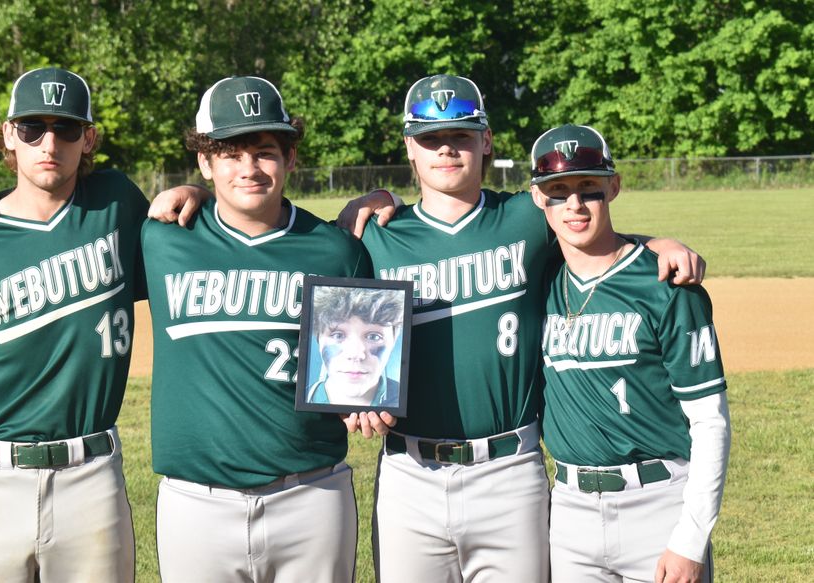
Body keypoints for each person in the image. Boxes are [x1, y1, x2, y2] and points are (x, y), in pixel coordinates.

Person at [150, 74, 706, 583]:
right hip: (408, 470)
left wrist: (655, 244)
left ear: (486, 141)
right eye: (430, 136)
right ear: (409, 146)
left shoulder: (527, 218)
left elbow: (586, 223)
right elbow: (347, 345)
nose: (446, 147)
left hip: (510, 469)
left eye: (461, 135)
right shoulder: (369, 237)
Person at [141, 76, 375, 582]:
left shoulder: (335, 250)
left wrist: (369, 401)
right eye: (229, 153)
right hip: (194, 501)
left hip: (312, 493)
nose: (248, 168)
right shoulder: (162, 238)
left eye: (264, 151)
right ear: (204, 162)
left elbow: (365, 360)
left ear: (290, 157)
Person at [0, 67, 145, 582]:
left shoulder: (116, 203)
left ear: (88, 139)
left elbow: (189, 243)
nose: (49, 143)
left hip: (91, 475)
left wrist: (196, 195)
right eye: (32, 129)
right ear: (8, 136)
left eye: (66, 129)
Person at [529, 124, 731, 583]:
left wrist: (690, 537)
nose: (574, 205)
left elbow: (710, 420)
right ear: (539, 198)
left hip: (658, 503)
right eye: (558, 191)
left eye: (589, 189)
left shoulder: (666, 285)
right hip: (570, 512)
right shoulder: (539, 279)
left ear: (613, 187)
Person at [307, 285, 404, 407]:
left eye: (374, 337)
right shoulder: (298, 399)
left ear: (393, 340)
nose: (355, 354)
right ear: (318, 338)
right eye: (338, 335)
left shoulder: (412, 400)